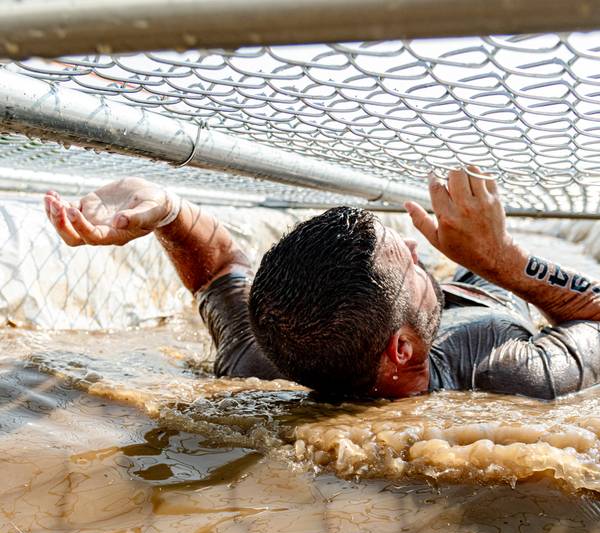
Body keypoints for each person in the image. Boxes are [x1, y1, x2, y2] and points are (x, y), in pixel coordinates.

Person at [44, 166, 600, 400]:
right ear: (401, 350)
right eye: (405, 258)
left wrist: (165, 207)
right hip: (493, 287)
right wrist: (504, 262)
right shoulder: (513, 376)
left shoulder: (261, 355)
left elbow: (218, 269)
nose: (414, 246)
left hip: (402, 306)